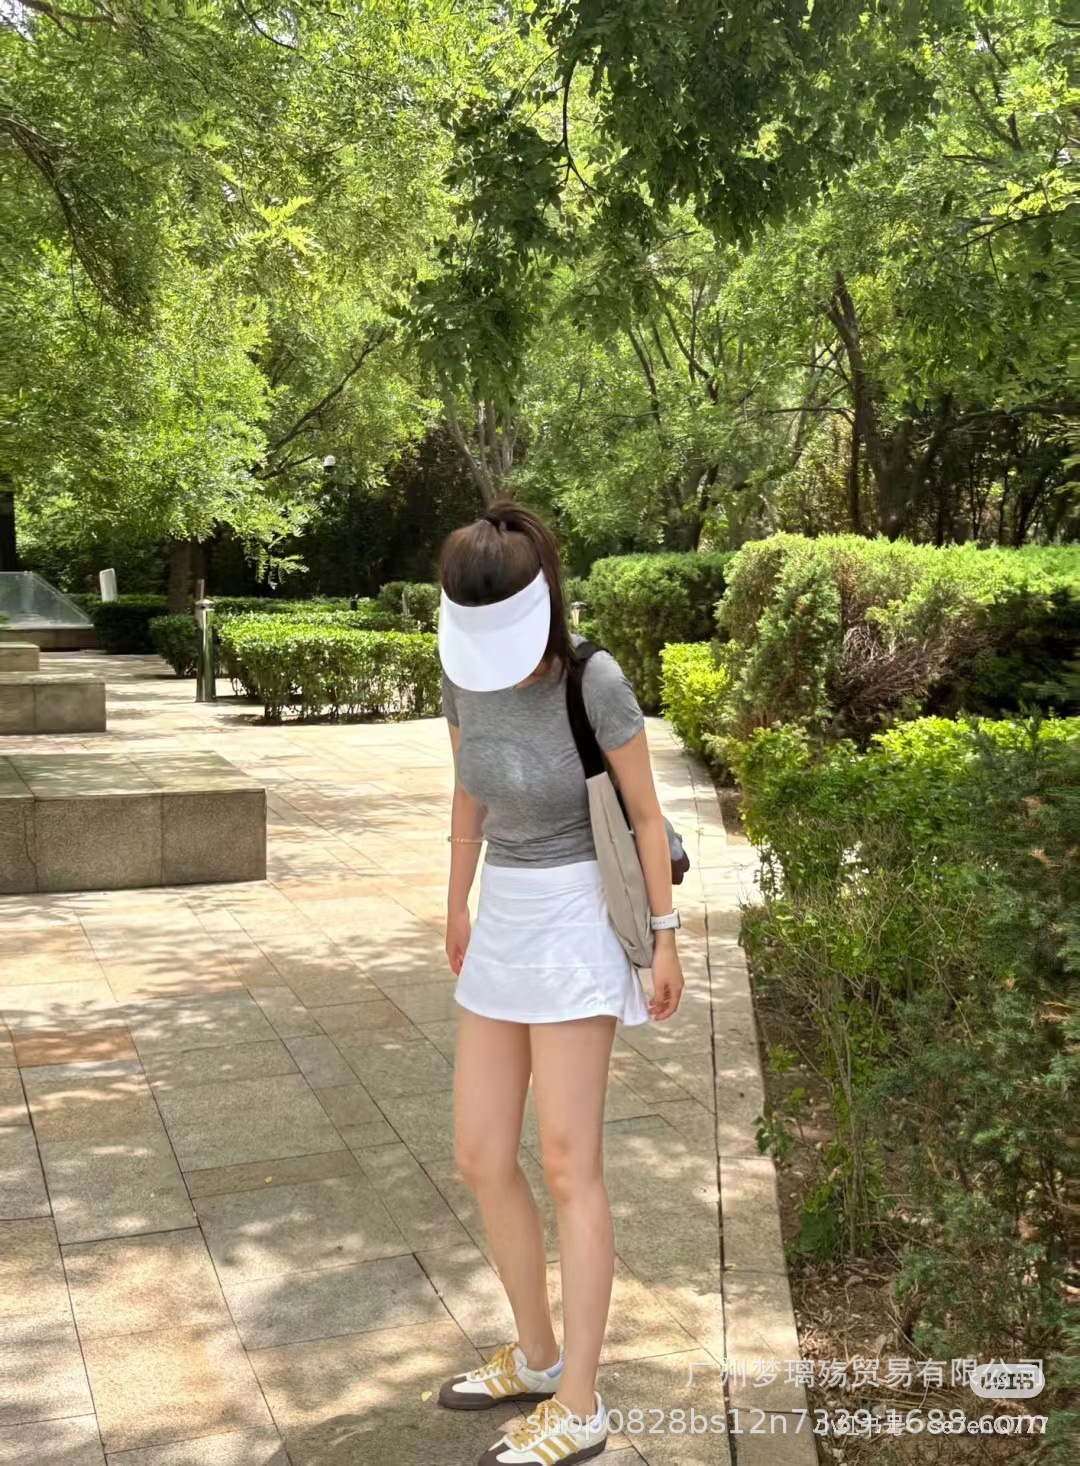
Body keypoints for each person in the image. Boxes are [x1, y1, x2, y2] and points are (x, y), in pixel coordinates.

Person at [434, 499, 685, 1466]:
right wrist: (456, 900)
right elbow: (469, 791)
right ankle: (537, 1358)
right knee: (480, 1152)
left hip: (580, 916)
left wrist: (665, 939)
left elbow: (647, 817)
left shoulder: (594, 680)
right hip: (504, 914)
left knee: (571, 1162)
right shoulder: (462, 671)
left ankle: (580, 1401)